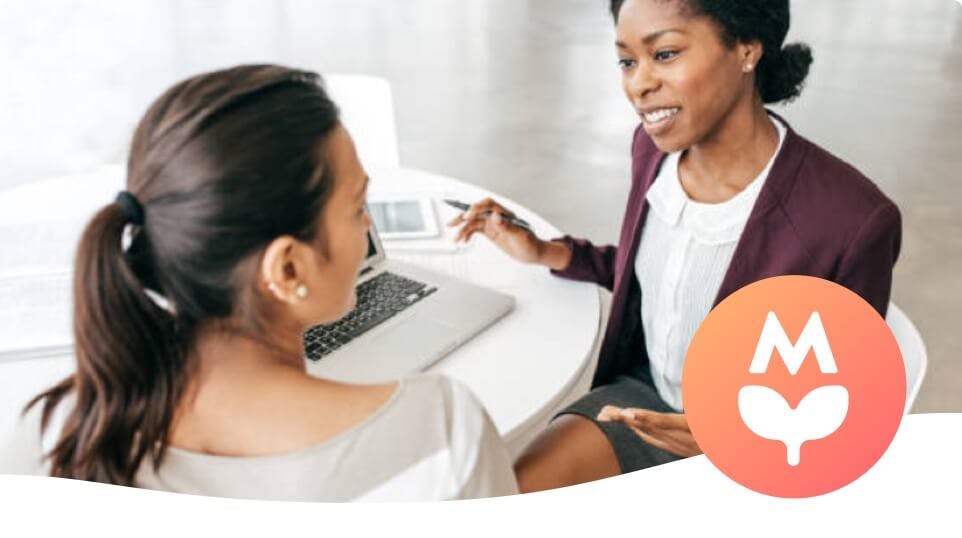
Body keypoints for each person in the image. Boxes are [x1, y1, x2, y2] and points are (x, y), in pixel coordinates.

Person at [0, 65, 517, 501]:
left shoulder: (55, 435)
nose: (367, 227)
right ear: (287, 268)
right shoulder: (442, 431)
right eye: (358, 206)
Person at [449, 0, 901, 492]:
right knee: (502, 497)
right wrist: (549, 252)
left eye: (664, 54)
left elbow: (850, 416)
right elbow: (666, 276)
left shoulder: (851, 219)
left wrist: (740, 442)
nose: (638, 85)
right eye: (627, 60)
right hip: (642, 403)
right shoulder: (652, 152)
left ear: (747, 49)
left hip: (761, 451)